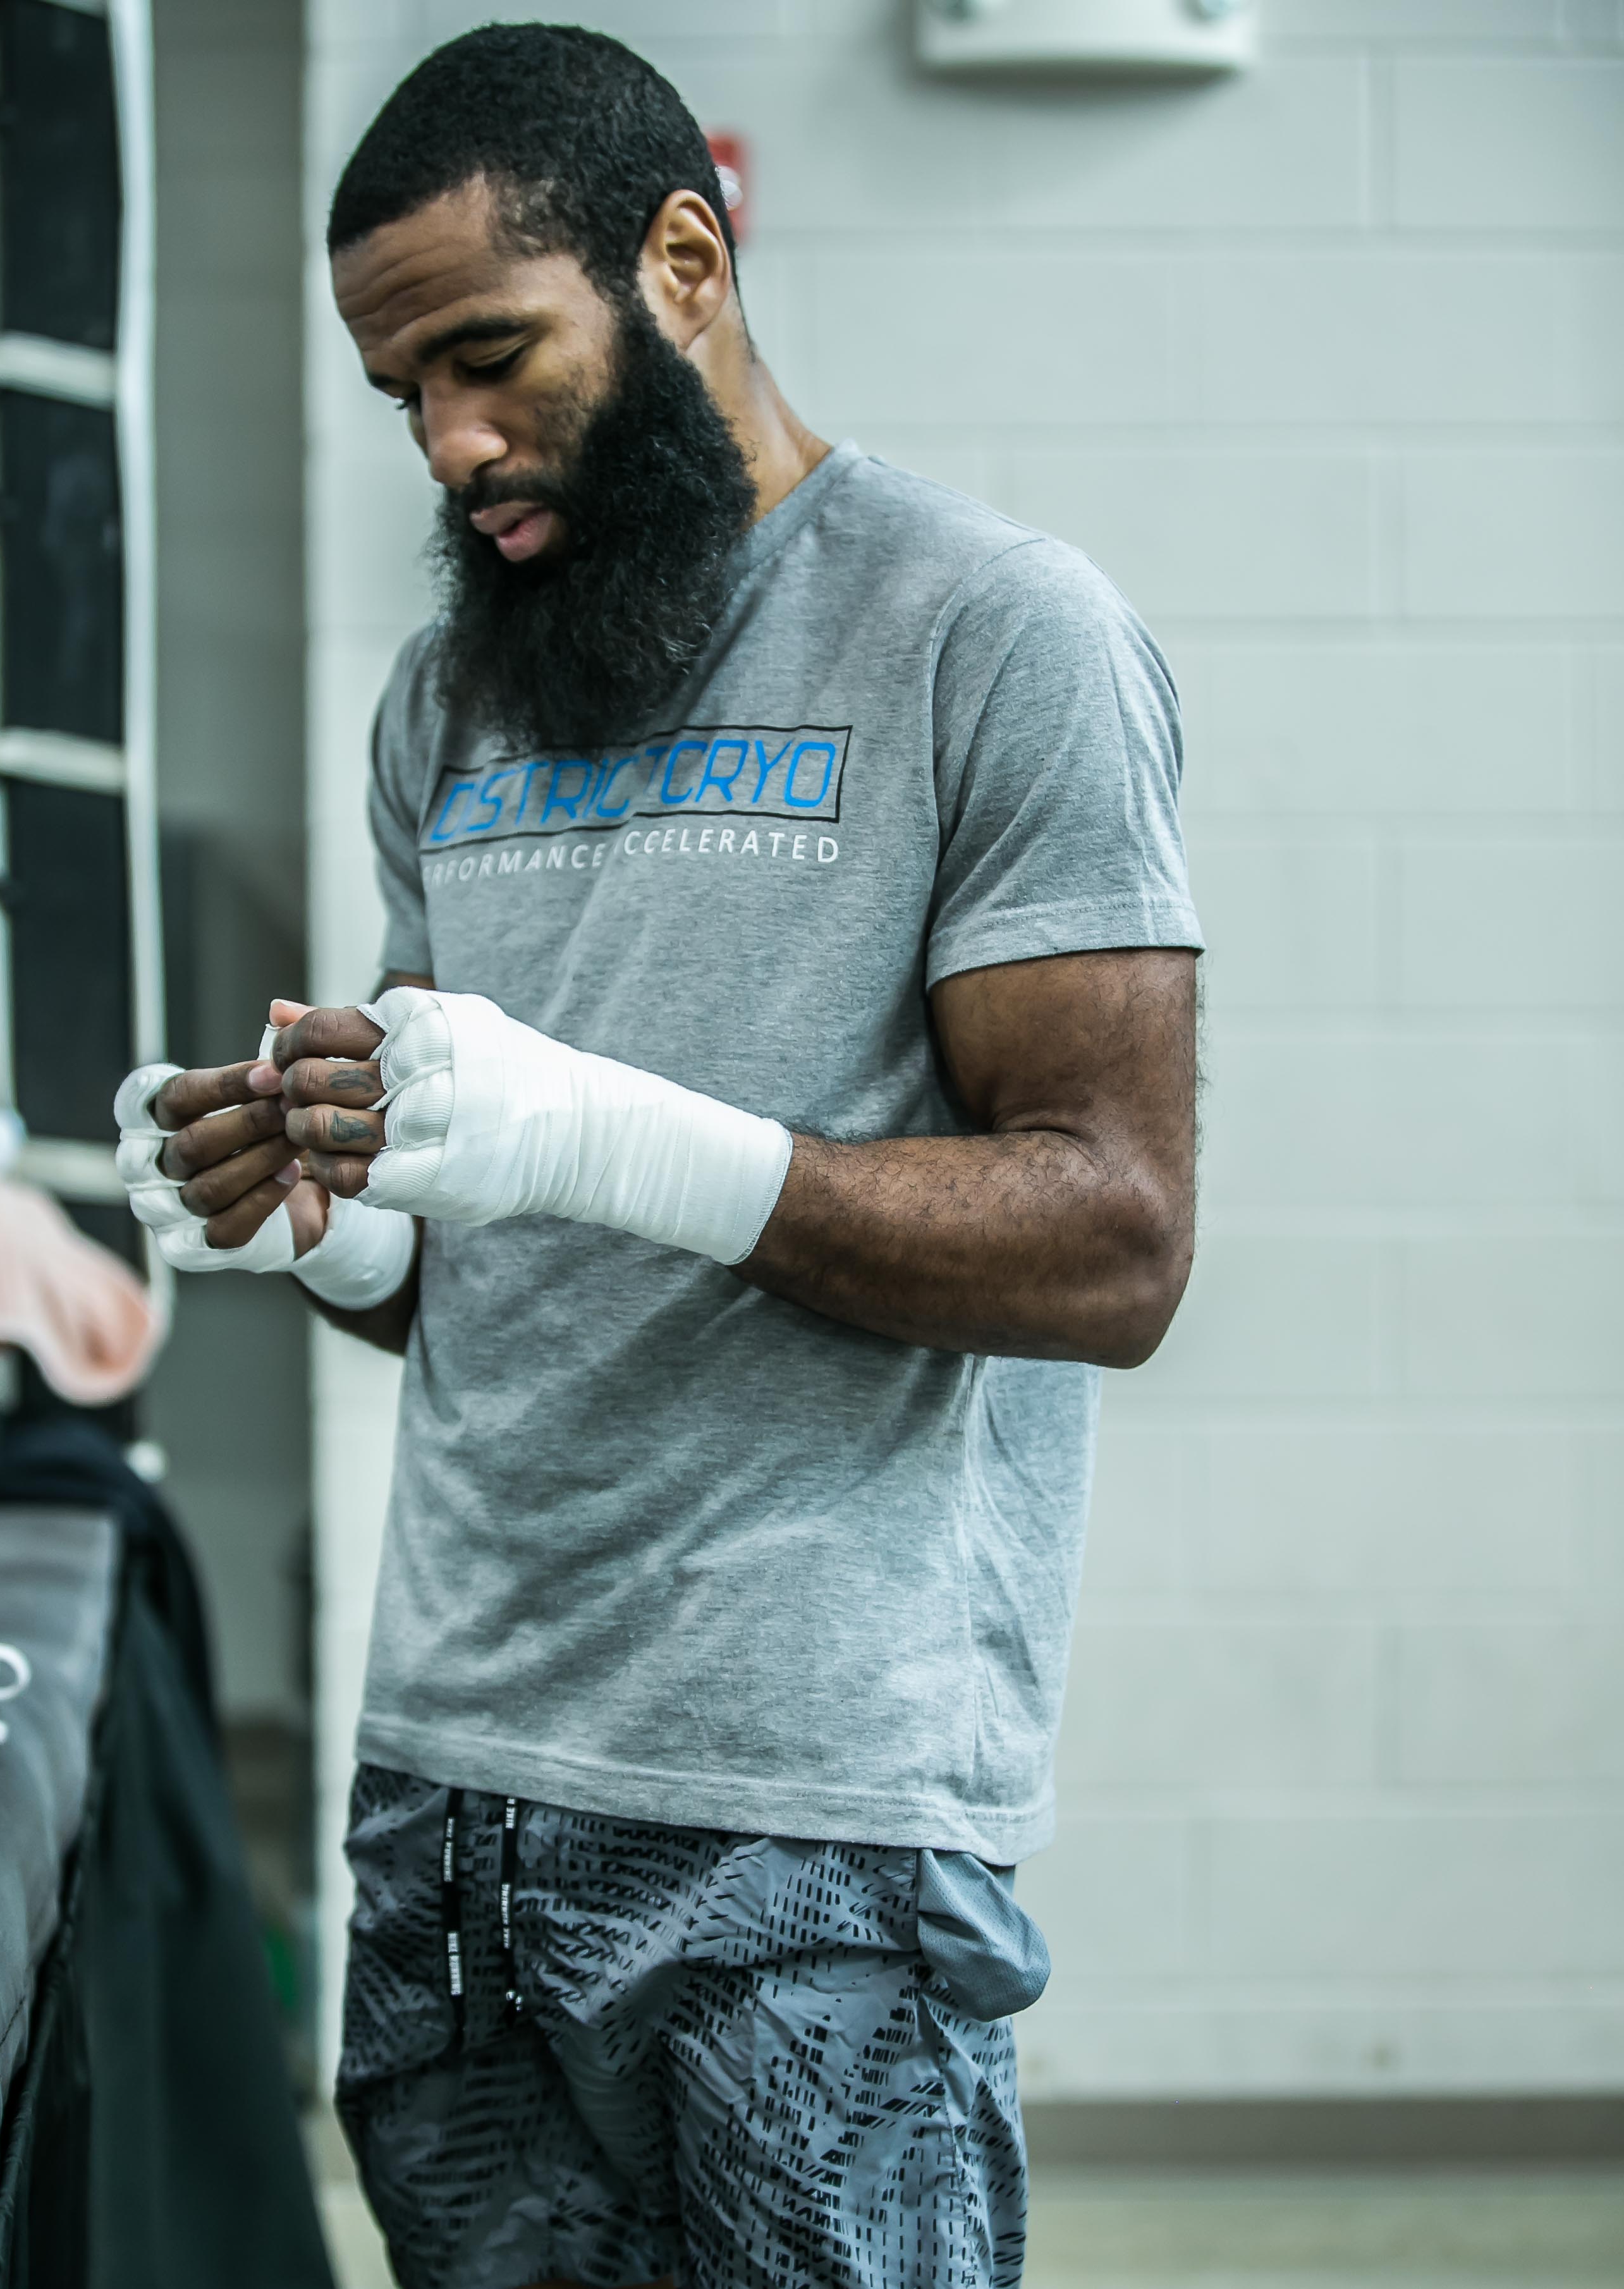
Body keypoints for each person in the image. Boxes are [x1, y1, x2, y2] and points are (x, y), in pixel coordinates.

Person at [114, 25, 1201, 2288]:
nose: (451, 441)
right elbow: (478, 1267)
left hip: (812, 1822)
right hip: (453, 1799)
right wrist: (316, 1226)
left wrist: (621, 1138)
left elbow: (1115, 1240)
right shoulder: (449, 700)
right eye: (401, 391)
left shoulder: (990, 634)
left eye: (491, 356)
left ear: (684, 260)